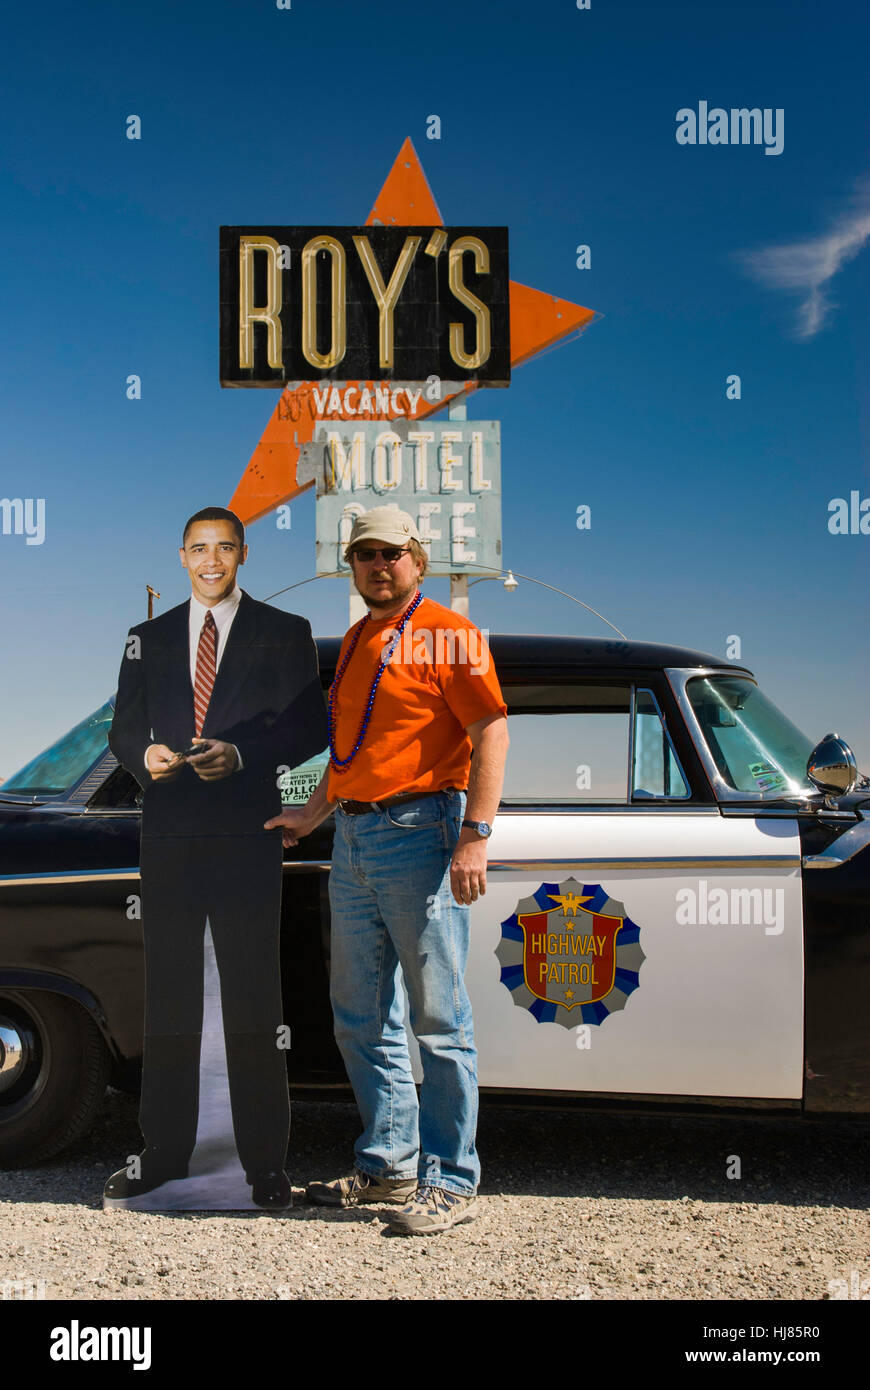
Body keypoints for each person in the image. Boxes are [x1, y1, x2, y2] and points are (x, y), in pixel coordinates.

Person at [267, 506, 508, 1235]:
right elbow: (348, 754)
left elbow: (490, 727)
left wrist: (476, 835)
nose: (377, 565)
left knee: (438, 1017)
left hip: (423, 830)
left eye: (390, 554)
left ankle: (452, 1179)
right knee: (360, 1015)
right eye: (363, 555)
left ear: (417, 559)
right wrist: (308, 814)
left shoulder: (451, 632)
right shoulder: (359, 639)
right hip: (355, 835)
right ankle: (387, 1166)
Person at [104, 507, 326, 1209]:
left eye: (223, 548)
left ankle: (265, 1164)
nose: (210, 560)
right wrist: (145, 755)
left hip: (245, 830)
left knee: (254, 995)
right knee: (168, 996)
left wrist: (243, 754)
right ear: (181, 556)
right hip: (167, 834)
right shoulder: (147, 638)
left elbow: (310, 724)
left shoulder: (284, 633)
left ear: (242, 554)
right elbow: (122, 729)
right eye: (199, 549)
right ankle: (164, 1152)